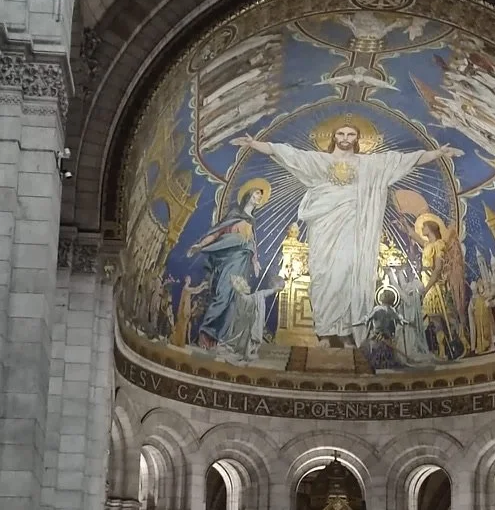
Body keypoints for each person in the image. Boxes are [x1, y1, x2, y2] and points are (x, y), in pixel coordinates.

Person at [231, 125, 461, 347]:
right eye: (341, 133)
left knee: (350, 273)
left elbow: (404, 160)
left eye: (351, 133)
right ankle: (325, 331)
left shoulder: (369, 164)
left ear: (356, 138)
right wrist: (254, 144)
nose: (345, 137)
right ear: (334, 137)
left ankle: (347, 331)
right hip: (324, 229)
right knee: (323, 275)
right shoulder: (320, 161)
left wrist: (438, 153)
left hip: (354, 228)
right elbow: (287, 153)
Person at [187, 182, 270, 349]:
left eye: (260, 196)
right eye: (256, 194)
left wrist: (255, 261)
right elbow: (217, 232)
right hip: (229, 260)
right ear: (248, 195)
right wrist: (201, 245)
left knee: (235, 301)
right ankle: (205, 333)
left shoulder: (252, 222)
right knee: (223, 295)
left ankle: (220, 339)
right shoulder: (235, 214)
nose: (258, 198)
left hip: (242, 264)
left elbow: (252, 243)